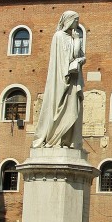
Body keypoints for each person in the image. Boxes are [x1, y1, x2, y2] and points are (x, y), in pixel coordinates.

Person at [30, 11, 85, 149]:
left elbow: (78, 55)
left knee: (73, 110)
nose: (77, 24)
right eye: (76, 21)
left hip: (72, 80)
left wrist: (80, 56)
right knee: (58, 108)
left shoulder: (72, 37)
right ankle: (54, 139)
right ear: (69, 21)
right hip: (61, 78)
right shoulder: (59, 36)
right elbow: (70, 56)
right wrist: (77, 42)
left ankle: (66, 141)